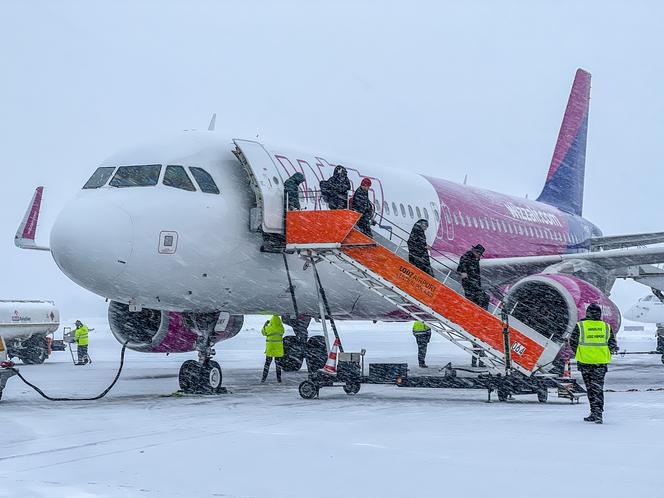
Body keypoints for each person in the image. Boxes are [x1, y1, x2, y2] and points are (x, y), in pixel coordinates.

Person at [568, 303, 618, 424]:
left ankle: (594, 412)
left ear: (587, 313)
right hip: (600, 363)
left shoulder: (580, 326)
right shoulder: (606, 326)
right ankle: (598, 412)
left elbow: (573, 342)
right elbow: (612, 344)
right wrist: (605, 353)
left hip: (585, 363)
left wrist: (580, 353)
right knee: (598, 388)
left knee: (590, 388)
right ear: (600, 314)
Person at [457, 244, 489, 310]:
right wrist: (464, 273)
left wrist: (478, 285)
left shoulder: (475, 260)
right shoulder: (467, 257)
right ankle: (480, 312)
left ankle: (481, 312)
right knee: (480, 297)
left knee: (484, 297)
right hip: (469, 283)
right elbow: (461, 268)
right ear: (475, 251)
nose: (479, 256)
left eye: (480, 255)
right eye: (479, 254)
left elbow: (477, 275)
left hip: (474, 283)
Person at [261, 315, 285, 383]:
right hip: (278, 350)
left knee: (267, 364)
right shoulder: (280, 328)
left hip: (270, 349)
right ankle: (279, 379)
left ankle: (263, 378)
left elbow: (263, 332)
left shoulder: (268, 328)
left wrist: (265, 324)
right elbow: (282, 332)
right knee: (278, 365)